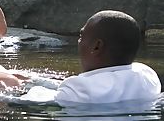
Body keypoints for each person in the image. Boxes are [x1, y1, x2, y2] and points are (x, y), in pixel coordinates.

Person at [19, 10, 162, 104]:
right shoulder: (147, 75)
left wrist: (4, 86)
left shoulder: (78, 89)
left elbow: (29, 101)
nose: (79, 41)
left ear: (96, 47)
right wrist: (37, 80)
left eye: (81, 36)